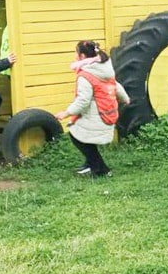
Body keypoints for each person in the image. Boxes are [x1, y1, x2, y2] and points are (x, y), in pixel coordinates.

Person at [55, 40, 130, 178]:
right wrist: (126, 98)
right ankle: (90, 164)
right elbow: (115, 85)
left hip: (97, 116)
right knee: (85, 137)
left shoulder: (86, 75)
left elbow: (83, 101)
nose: (75, 56)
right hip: (108, 115)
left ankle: (101, 169)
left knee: (76, 136)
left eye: (77, 53)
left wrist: (66, 113)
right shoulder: (104, 69)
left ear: (83, 56)